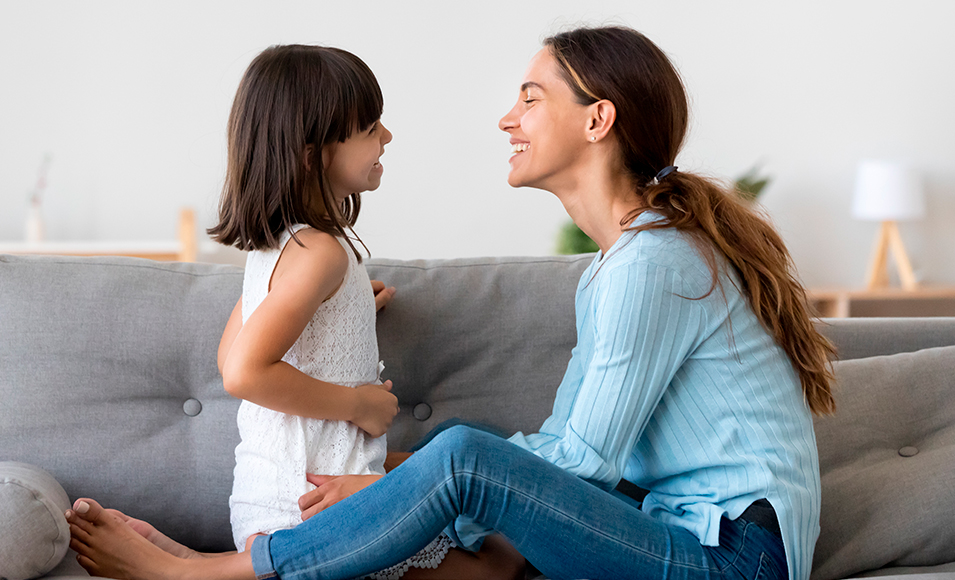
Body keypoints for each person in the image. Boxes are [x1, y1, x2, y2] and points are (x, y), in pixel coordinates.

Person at [67, 26, 835, 580]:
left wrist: (391, 486)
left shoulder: (653, 263)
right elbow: (564, 446)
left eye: (530, 98)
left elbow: (582, 464)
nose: (506, 119)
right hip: (675, 532)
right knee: (461, 452)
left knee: (464, 455)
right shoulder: (619, 265)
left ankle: (207, 573)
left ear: (596, 120)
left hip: (731, 559)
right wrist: (401, 477)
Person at [64, 44, 524, 580]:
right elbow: (243, 372)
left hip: (275, 499)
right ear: (312, 155)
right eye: (370, 127)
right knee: (501, 566)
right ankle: (194, 570)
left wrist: (348, 311)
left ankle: (199, 561)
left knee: (497, 550)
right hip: (314, 508)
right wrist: (358, 404)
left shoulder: (280, 248)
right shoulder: (320, 254)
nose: (387, 136)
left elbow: (231, 353)